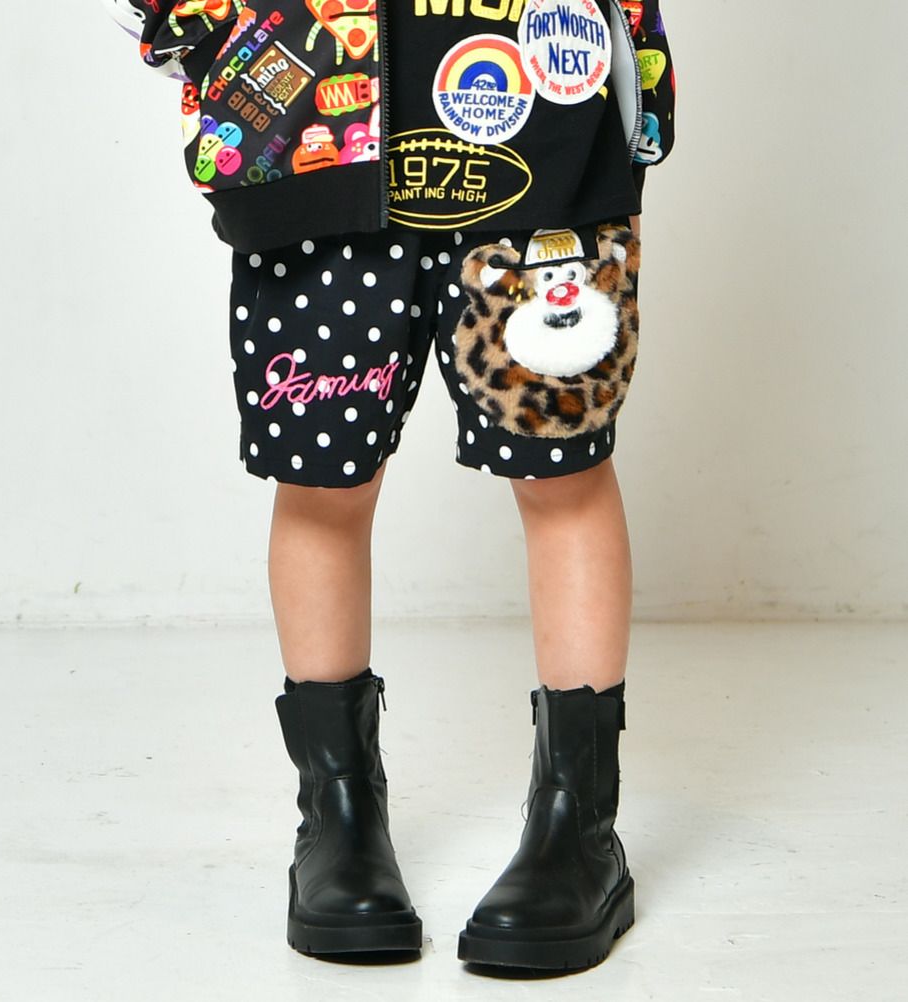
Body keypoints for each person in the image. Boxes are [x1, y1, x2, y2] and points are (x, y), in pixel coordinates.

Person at [105, 0, 675, 973]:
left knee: (562, 470)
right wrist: (201, 35)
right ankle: (337, 816)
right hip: (309, 121)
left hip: (543, 110)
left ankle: (578, 826)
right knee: (323, 478)